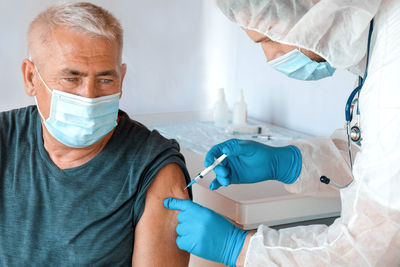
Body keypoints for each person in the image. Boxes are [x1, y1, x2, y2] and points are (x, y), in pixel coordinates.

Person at [165, 0, 400, 266]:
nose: (270, 57)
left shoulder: (394, 69)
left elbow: (371, 250)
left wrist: (239, 249)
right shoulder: (379, 35)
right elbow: (373, 158)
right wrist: (291, 162)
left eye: (269, 38)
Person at [1, 2, 191, 266]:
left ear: (121, 79)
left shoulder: (153, 168)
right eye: (71, 79)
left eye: (105, 80)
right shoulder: (5, 140)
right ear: (31, 77)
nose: (89, 96)